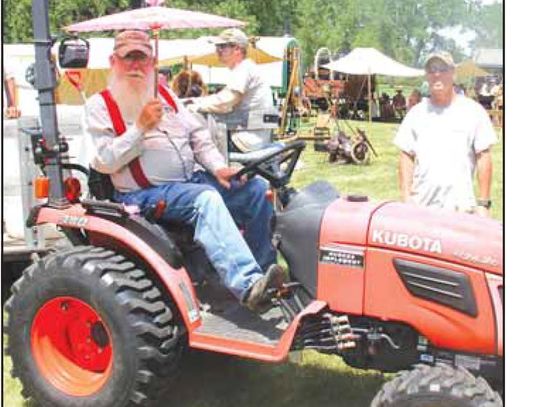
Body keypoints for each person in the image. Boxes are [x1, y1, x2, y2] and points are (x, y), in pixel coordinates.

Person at [84, 30, 285, 313]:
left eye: (142, 58)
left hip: (188, 181)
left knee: (255, 190)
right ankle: (248, 284)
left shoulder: (165, 95)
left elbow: (198, 136)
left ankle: (265, 275)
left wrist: (218, 167)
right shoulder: (99, 106)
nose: (136, 66)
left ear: (152, 61)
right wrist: (140, 127)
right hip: (142, 194)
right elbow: (103, 162)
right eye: (128, 58)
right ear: (113, 61)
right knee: (205, 199)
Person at [394, 51, 497, 216]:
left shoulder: (473, 111)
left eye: (442, 69)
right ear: (426, 76)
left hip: (461, 208)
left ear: (453, 73)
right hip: (422, 207)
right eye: (431, 70)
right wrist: (407, 197)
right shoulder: (416, 114)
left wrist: (483, 203)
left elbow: (483, 155)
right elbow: (406, 154)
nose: (437, 74)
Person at [187, 28, 278, 152]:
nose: (218, 51)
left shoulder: (244, 69)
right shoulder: (248, 68)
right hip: (255, 138)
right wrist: (196, 101)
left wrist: (194, 106)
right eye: (217, 47)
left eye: (223, 46)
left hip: (244, 141)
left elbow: (225, 103)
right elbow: (223, 97)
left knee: (191, 144)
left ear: (237, 49)